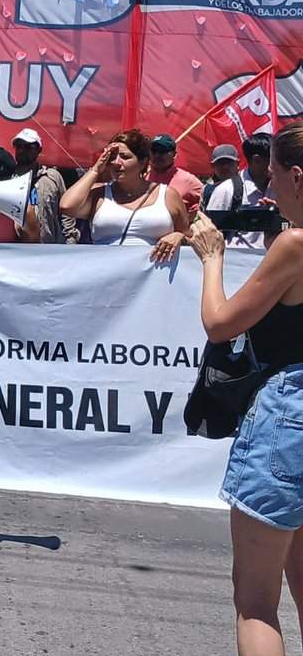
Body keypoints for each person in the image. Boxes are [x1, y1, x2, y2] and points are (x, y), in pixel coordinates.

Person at [188, 123, 303, 656]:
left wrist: (211, 258)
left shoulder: (295, 246)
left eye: (275, 174)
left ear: (296, 176)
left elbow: (220, 323)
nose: (269, 186)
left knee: (256, 600)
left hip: (291, 414)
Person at [60, 129, 190, 263]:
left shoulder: (168, 195)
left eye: (125, 157)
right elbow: (67, 206)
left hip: (154, 277)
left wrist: (179, 236)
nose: (116, 162)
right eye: (112, 157)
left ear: (143, 162)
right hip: (105, 275)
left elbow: (189, 238)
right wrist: (96, 169)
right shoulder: (98, 193)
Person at [206, 133, 275, 249]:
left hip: (275, 262)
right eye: (273, 160)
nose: (278, 164)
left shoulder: (282, 189)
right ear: (257, 160)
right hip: (238, 263)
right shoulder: (227, 191)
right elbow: (209, 233)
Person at [12, 127, 79, 243]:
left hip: (47, 248)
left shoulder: (52, 177)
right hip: (14, 249)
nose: (22, 150)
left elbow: (65, 212)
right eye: (19, 146)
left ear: (39, 150)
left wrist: (71, 241)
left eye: (28, 147)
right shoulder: (8, 178)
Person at [148, 133, 205, 217]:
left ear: (174, 154)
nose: (157, 155)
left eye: (162, 151)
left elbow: (207, 199)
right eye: (154, 151)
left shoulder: (188, 180)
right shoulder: (141, 176)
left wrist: (192, 215)